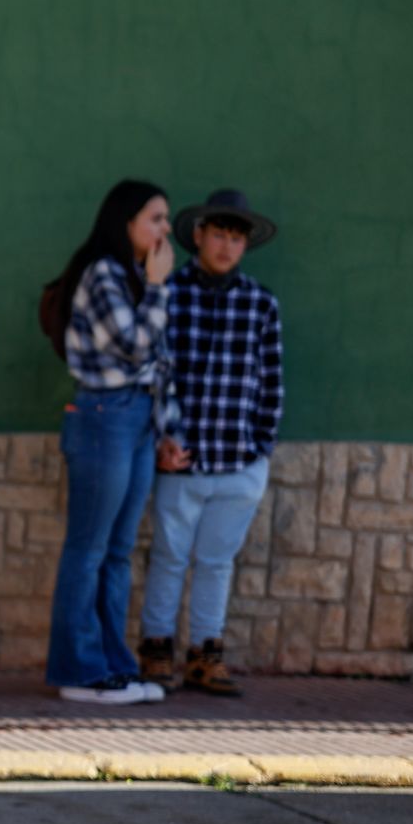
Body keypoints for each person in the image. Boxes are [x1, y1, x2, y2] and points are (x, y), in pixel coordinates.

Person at [139, 189, 284, 696]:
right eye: (218, 234)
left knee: (217, 562)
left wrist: (259, 448)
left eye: (236, 238)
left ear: (245, 245)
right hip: (181, 459)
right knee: (169, 557)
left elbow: (272, 384)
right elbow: (156, 371)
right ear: (199, 236)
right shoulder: (170, 293)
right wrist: (164, 438)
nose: (226, 246)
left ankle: (206, 655)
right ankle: (156, 651)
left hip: (239, 462)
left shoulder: (261, 304)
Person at [42, 179, 178, 706]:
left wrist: (167, 430)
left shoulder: (135, 276)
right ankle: (80, 671)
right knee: (90, 548)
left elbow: (159, 364)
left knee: (118, 552)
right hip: (104, 417)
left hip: (137, 418)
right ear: (127, 222)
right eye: (156, 218)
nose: (166, 230)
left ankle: (114, 667)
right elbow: (134, 346)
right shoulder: (103, 273)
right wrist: (159, 286)